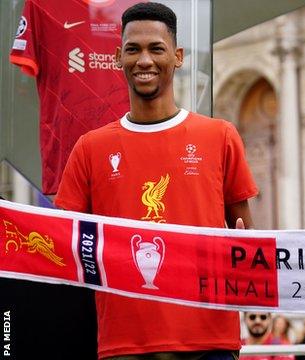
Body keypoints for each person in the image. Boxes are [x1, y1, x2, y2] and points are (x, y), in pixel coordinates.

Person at [54, 2, 258, 359]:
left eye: (156, 48)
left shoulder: (220, 136)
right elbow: (63, 241)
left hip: (209, 344)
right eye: (133, 49)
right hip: (125, 346)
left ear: (177, 56)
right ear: (118, 56)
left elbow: (246, 238)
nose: (144, 60)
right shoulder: (90, 148)